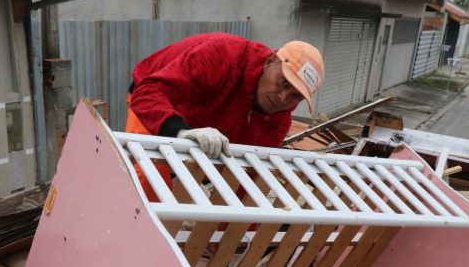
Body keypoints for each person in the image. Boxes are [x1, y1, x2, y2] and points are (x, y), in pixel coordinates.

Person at [125, 33, 324, 199]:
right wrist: (179, 132)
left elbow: (246, 181)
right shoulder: (223, 55)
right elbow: (148, 93)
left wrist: (238, 238)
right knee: (151, 174)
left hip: (209, 117)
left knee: (220, 173)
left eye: (295, 96)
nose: (283, 97)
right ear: (270, 62)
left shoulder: (276, 124)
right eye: (284, 82)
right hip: (156, 99)